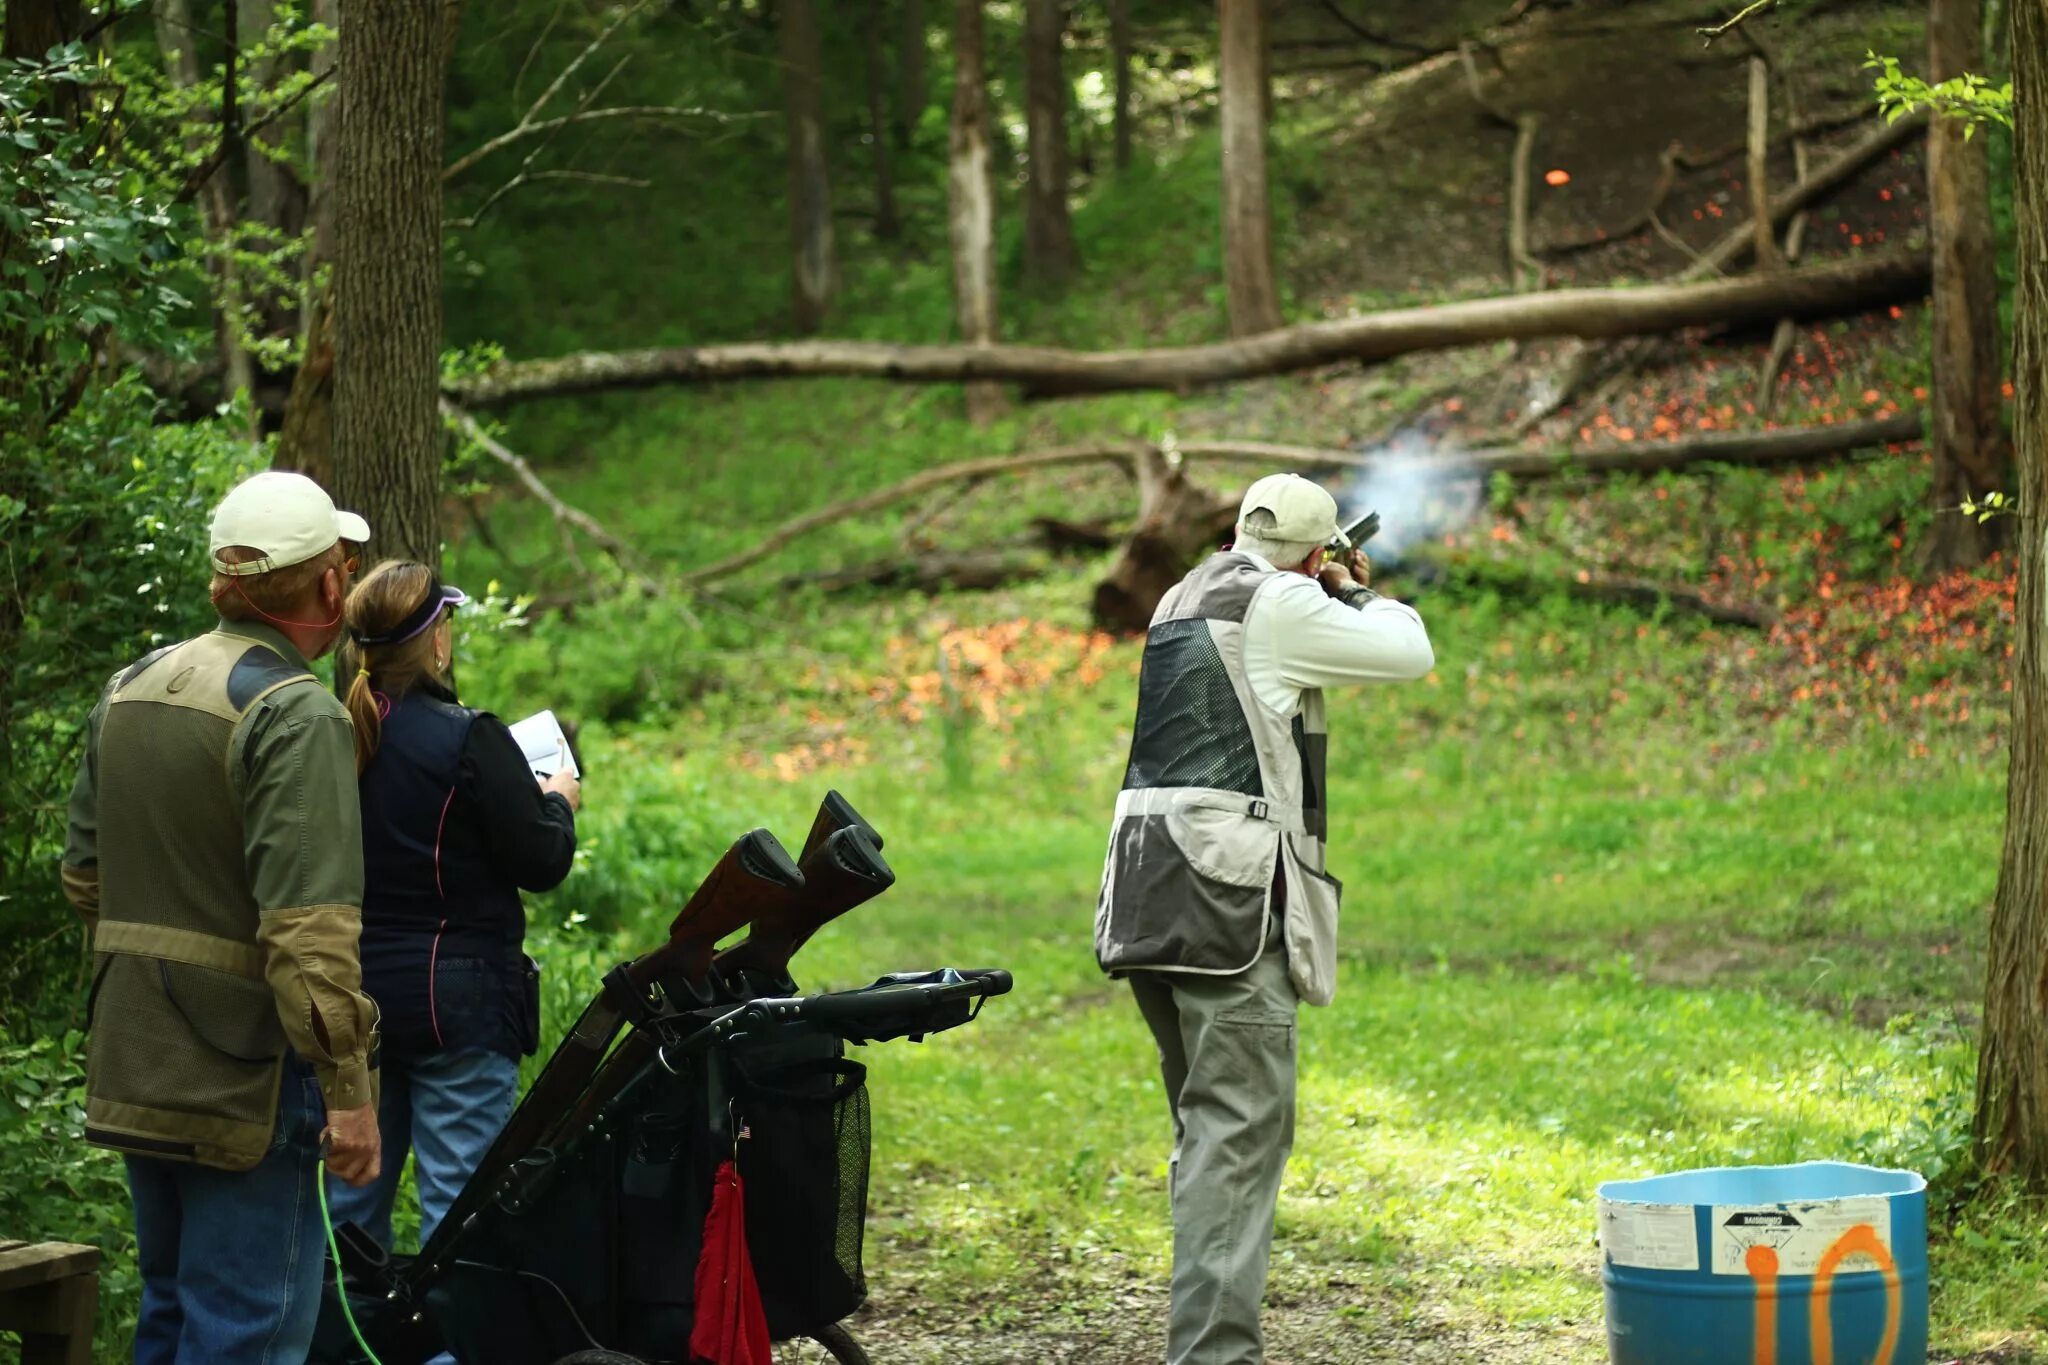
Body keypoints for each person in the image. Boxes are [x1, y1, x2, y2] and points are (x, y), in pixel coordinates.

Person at [1094, 473, 1434, 1365]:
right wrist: (1355, 588)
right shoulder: (1283, 600)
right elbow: (1408, 650)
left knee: (1209, 1142)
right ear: (1315, 553)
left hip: (1147, 890)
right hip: (1226, 902)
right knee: (1236, 1146)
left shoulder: (1183, 590)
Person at [59, 470, 383, 1365]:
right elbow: (309, 935)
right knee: (248, 1331)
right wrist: (350, 1095)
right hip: (246, 1074)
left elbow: (85, 876)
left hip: (135, 1049)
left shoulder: (131, 683)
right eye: (344, 567)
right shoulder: (295, 712)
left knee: (168, 1316)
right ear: (327, 585)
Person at [325, 560, 580, 1252]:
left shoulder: (326, 733)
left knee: (349, 1218)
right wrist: (558, 799)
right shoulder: (470, 736)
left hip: (353, 1006)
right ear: (437, 639)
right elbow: (542, 860)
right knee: (458, 1222)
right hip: (457, 1007)